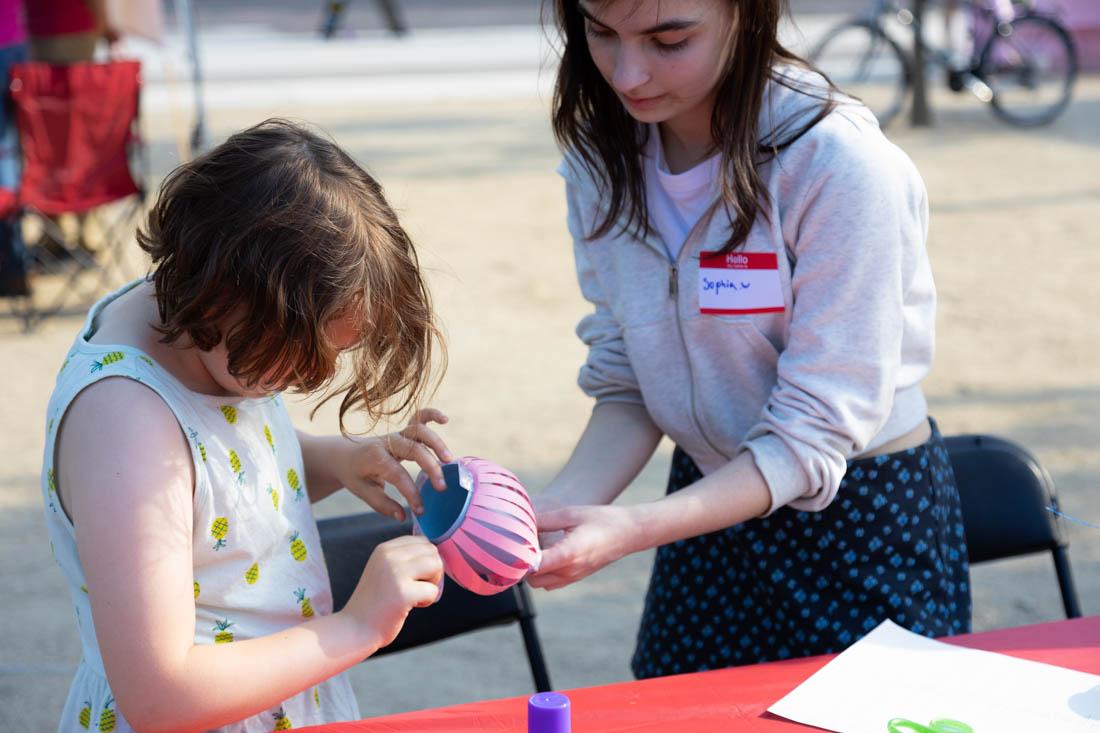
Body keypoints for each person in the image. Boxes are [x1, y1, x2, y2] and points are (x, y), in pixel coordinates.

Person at [528, 0, 971, 679]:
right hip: (705, 503)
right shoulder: (602, 156)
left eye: (668, 39)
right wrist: (551, 510)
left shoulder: (838, 164)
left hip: (859, 510)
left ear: (748, 15)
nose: (627, 72)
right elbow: (629, 378)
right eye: (599, 32)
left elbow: (816, 428)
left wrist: (636, 528)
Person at [42, 119, 453, 732]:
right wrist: (355, 626)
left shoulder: (206, 340)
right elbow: (159, 696)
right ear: (220, 291)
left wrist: (337, 459)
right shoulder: (123, 423)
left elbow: (217, 478)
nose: (306, 376)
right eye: (294, 352)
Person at [0, 0, 26, 297]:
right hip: (16, 41)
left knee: (6, 157)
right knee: (9, 157)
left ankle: (13, 265)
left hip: (10, 43)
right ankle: (14, 265)